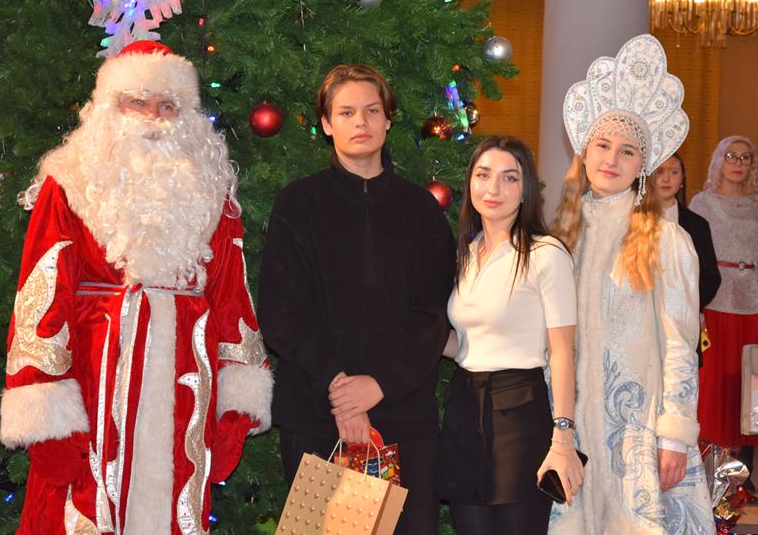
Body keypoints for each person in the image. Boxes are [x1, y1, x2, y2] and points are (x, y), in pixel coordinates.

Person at [0, 41, 273, 534]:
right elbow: (40, 295)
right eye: (139, 102)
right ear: (111, 107)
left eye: (168, 106)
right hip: (94, 378)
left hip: (186, 381)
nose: (153, 118)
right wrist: (44, 407)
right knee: (81, 507)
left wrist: (238, 398)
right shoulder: (69, 182)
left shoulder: (213, 193)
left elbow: (232, 295)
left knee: (173, 505)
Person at [257, 64, 455, 535]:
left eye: (372, 111)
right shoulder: (297, 204)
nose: (361, 122)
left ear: (388, 120)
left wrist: (379, 383)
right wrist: (343, 393)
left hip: (404, 418)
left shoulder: (422, 212)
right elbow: (282, 314)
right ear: (327, 124)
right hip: (318, 417)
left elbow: (432, 314)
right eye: (346, 112)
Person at [549, 34, 714, 534]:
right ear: (585, 151)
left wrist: (674, 435)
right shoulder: (562, 239)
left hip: (638, 435)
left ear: (643, 166)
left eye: (627, 151)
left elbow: (680, 344)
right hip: (571, 431)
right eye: (602, 145)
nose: (612, 159)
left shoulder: (666, 240)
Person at [436, 136, 584, 534]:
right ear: (470, 183)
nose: (494, 188)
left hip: (520, 414)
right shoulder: (467, 254)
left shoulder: (546, 254)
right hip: (465, 410)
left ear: (525, 190)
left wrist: (563, 439)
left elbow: (562, 352)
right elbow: (467, 344)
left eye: (509, 178)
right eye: (483, 175)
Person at [690, 135, 758, 498]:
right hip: (715, 304)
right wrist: (696, 309)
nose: (738, 163)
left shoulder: (757, 205)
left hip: (749, 305)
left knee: (745, 393)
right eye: (731, 156)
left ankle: (737, 483)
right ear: (718, 161)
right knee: (713, 394)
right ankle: (708, 481)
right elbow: (694, 260)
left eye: (745, 157)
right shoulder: (702, 202)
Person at [653, 152, 722, 367]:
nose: (666, 179)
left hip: (683, 323)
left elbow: (711, 277)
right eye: (659, 172)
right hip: (643, 323)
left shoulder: (697, 225)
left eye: (674, 172)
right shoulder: (632, 220)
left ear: (682, 178)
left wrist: (685, 304)